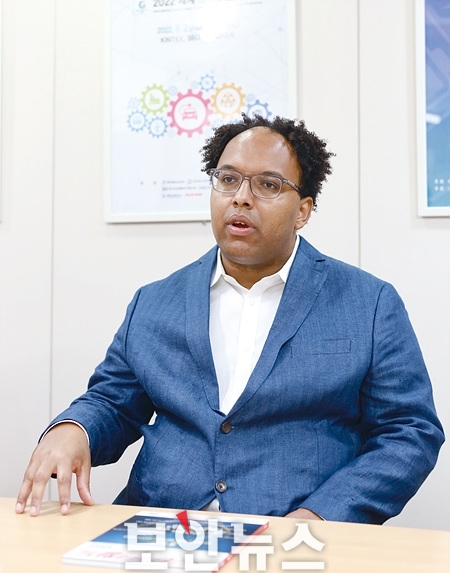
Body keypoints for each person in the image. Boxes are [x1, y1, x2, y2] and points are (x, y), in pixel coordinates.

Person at [16, 114, 444, 523]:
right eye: (228, 179)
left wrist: (322, 516)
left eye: (268, 185)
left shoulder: (368, 303)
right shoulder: (155, 301)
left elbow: (409, 432)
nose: (241, 197)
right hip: (163, 525)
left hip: (293, 534)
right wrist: (73, 429)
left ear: (303, 211)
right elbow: (112, 402)